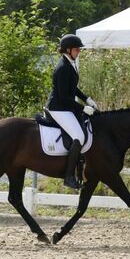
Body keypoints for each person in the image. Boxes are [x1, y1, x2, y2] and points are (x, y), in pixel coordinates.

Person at [46, 34, 98, 189]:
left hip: (65, 106)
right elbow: (63, 97)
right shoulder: (62, 67)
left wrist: (86, 98)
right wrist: (83, 108)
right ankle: (68, 176)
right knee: (79, 136)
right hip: (58, 108)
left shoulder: (69, 64)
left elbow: (73, 88)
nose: (79, 52)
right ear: (68, 50)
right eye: (76, 49)